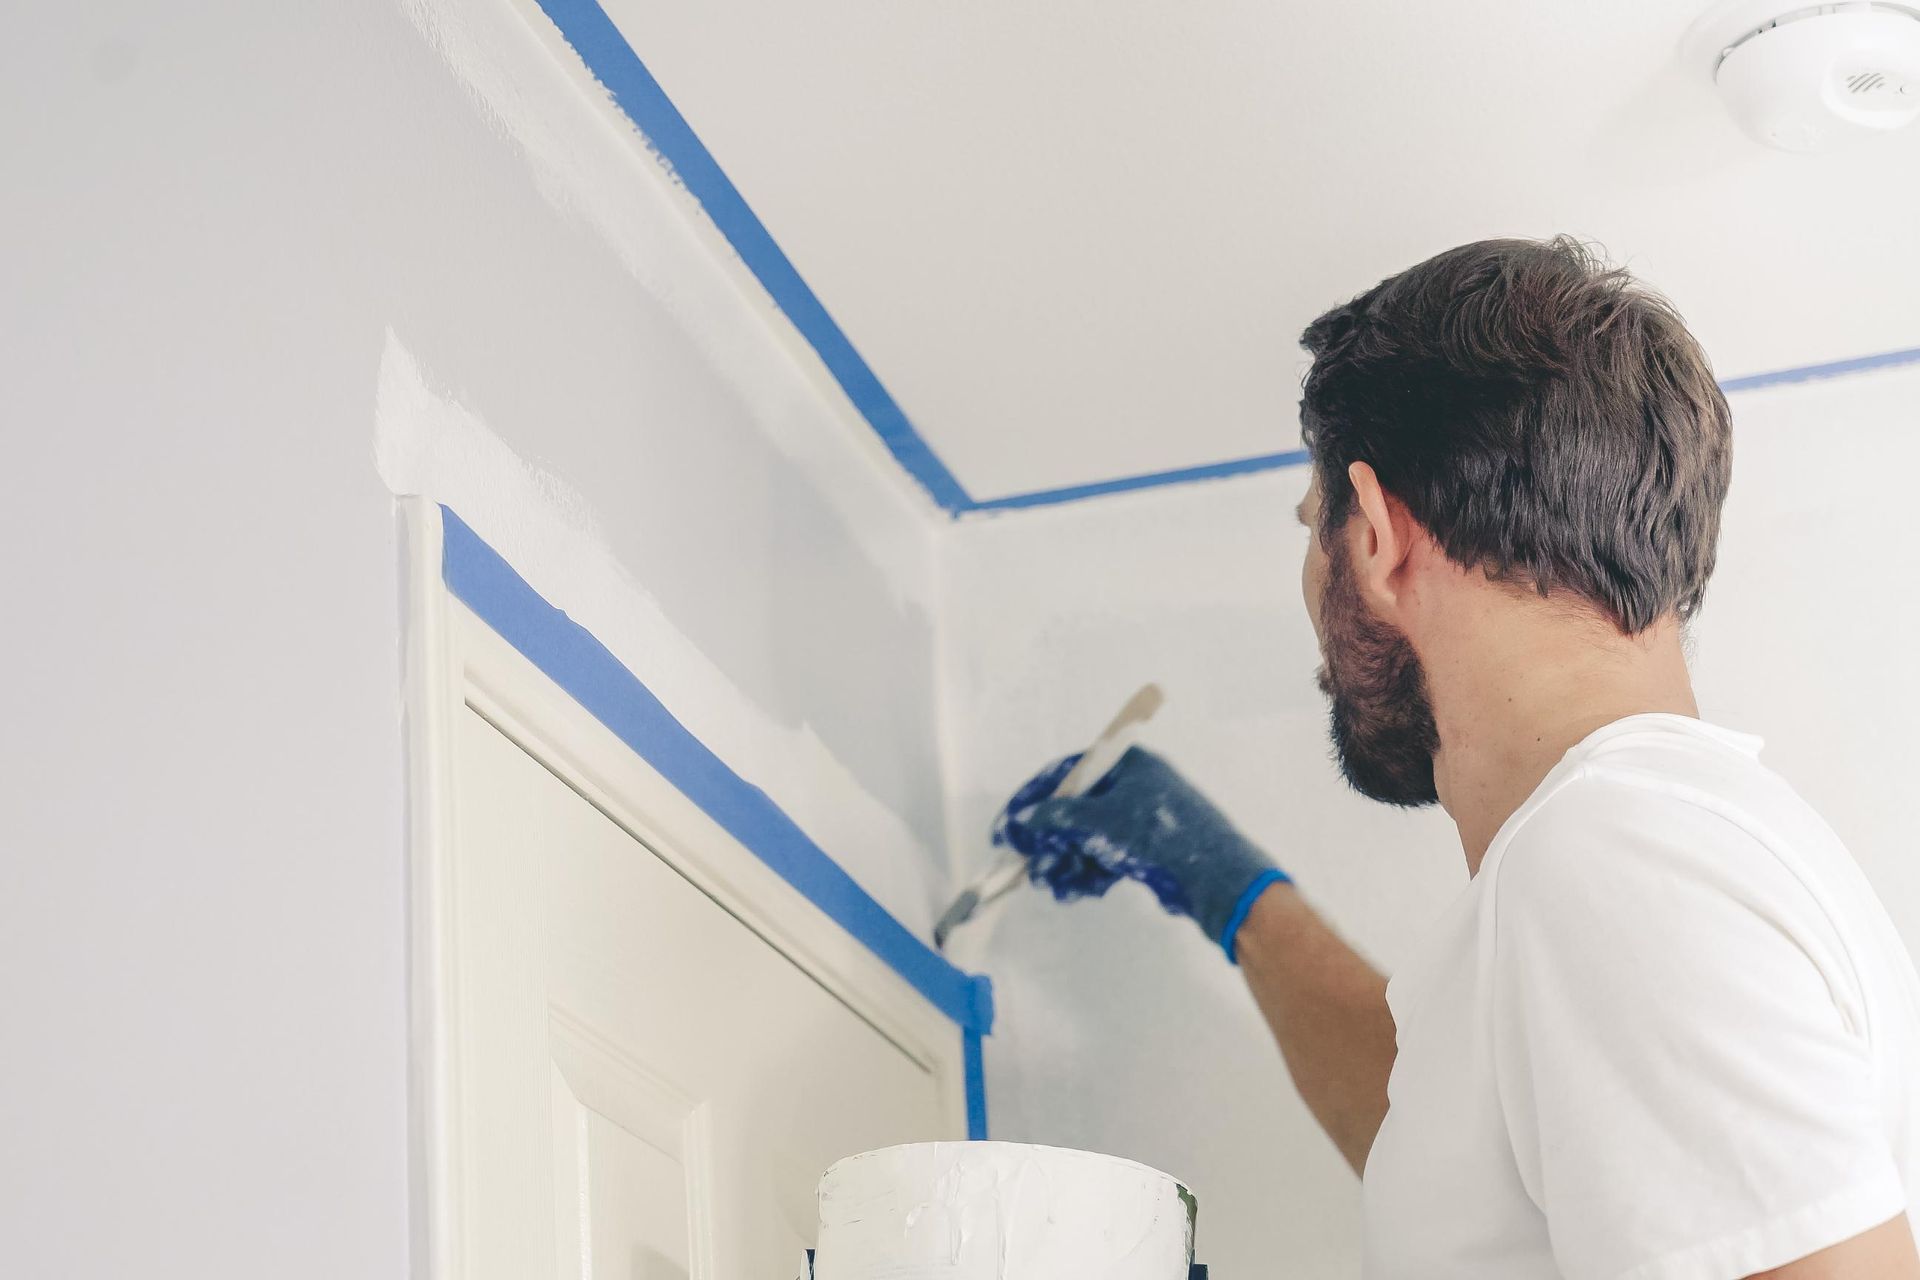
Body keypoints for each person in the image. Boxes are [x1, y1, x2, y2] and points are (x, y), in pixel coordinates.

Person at [997, 238, 1920, 1279]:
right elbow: (1457, 1159)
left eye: (1314, 527)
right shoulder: (1655, 851)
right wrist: (1226, 887)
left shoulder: (1610, 861)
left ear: (1376, 535)